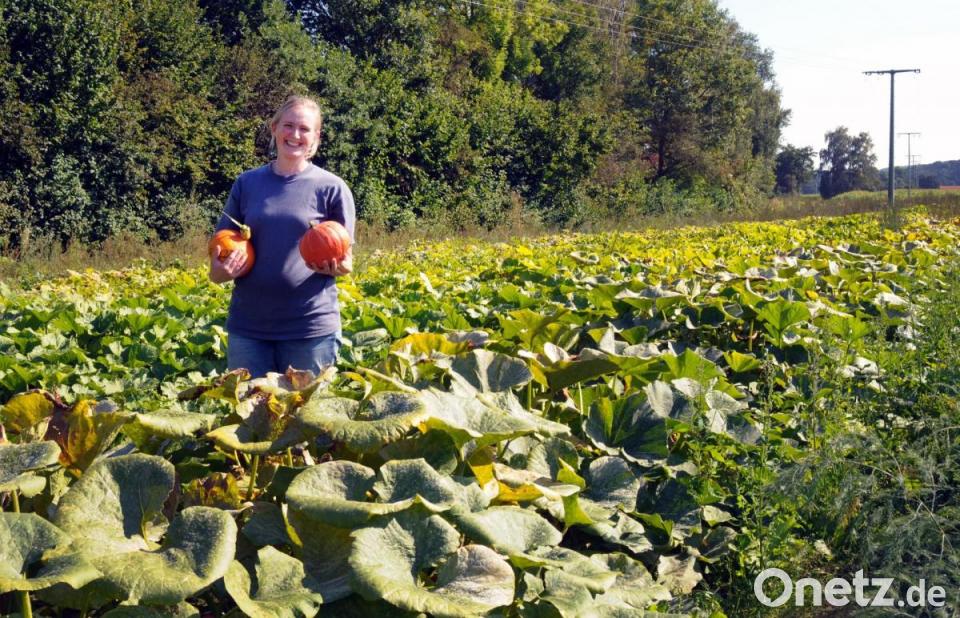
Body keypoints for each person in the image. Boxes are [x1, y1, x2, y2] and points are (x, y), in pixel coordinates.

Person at [209, 95, 355, 378]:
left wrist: (337, 267)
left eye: (304, 129)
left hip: (309, 329)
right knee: (250, 405)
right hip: (249, 329)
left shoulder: (332, 188)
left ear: (316, 136)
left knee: (303, 406)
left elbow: (346, 260)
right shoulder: (247, 183)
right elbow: (219, 257)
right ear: (274, 128)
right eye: (288, 125)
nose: (295, 135)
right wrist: (219, 272)